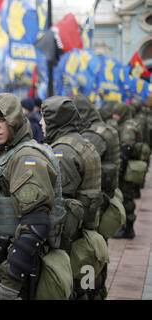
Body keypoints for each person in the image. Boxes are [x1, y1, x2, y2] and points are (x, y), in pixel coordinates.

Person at [0, 93, 66, 300]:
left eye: (1, 120)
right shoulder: (9, 153)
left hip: (16, 275)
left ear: (14, 119)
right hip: (0, 267)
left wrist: (10, 285)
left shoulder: (25, 157)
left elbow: (35, 227)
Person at [40, 96, 107, 300]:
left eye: (44, 118)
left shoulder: (63, 152)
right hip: (86, 231)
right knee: (85, 287)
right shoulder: (80, 142)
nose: (41, 123)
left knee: (71, 289)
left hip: (72, 241)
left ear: (55, 120)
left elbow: (63, 206)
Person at [74, 94, 124, 300]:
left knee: (89, 254)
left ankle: (93, 292)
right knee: (98, 249)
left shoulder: (94, 134)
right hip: (105, 196)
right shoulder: (106, 128)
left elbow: (81, 159)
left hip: (96, 202)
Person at [112, 102, 145, 239]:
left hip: (127, 168)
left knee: (127, 197)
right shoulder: (127, 123)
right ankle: (125, 226)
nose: (114, 116)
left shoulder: (128, 127)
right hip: (128, 166)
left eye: (117, 113)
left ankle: (128, 229)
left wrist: (120, 171)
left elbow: (126, 149)